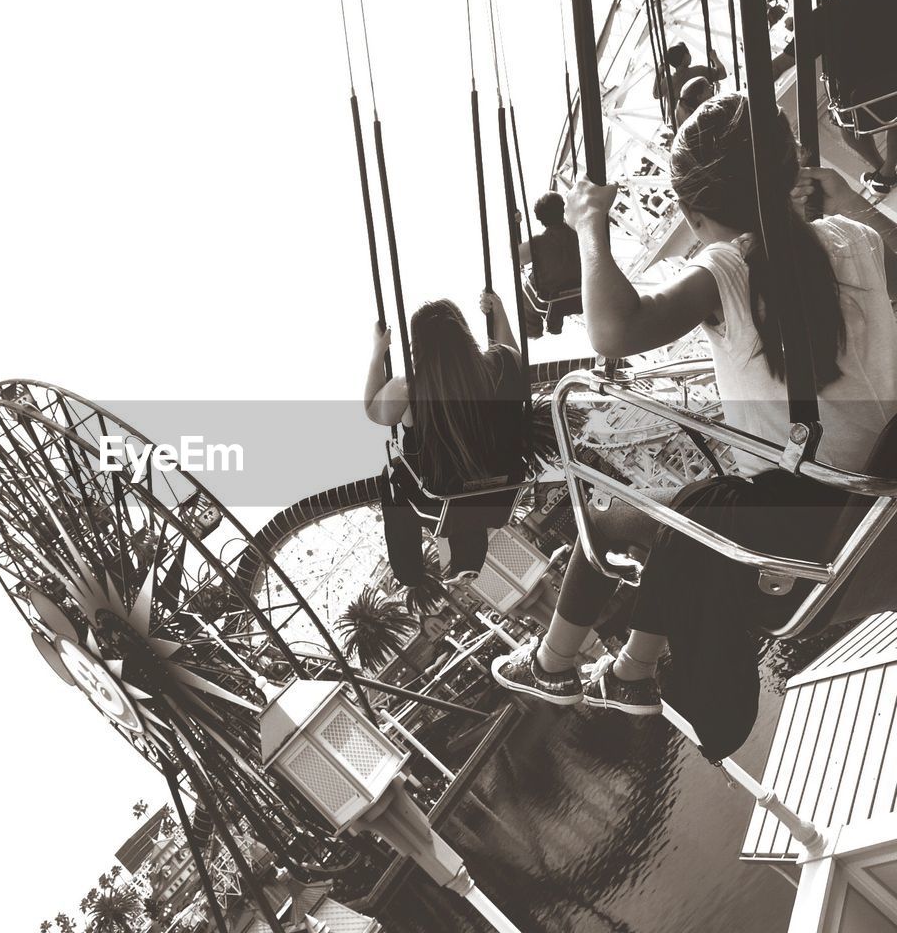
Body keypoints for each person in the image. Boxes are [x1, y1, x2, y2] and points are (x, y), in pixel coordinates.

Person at [492, 92, 897, 715]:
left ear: (696, 215)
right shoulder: (854, 238)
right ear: (792, 173)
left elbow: (614, 331)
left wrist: (591, 229)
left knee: (614, 515)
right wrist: (849, 201)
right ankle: (629, 669)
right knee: (692, 509)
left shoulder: (728, 270)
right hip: (883, 508)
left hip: (809, 555)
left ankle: (556, 663)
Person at [365, 293, 528, 580]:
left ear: (418, 347)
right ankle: (467, 558)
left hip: (441, 498)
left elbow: (373, 410)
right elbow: (513, 356)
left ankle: (409, 570)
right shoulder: (501, 363)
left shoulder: (411, 388)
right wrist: (498, 312)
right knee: (472, 476)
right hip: (502, 490)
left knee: (392, 474)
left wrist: (379, 351)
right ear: (463, 332)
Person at [519, 192, 583, 334]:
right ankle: (553, 322)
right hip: (581, 295)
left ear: (540, 218)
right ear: (563, 210)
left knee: (526, 291)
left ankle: (533, 331)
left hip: (552, 300)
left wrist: (515, 225)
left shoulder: (538, 243)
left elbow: (517, 257)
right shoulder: (579, 234)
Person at [653, 43, 726, 111]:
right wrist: (714, 58)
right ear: (685, 57)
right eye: (688, 53)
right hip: (701, 114)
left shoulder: (668, 81)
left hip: (680, 121)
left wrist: (659, 73)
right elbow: (722, 74)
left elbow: (656, 94)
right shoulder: (699, 71)